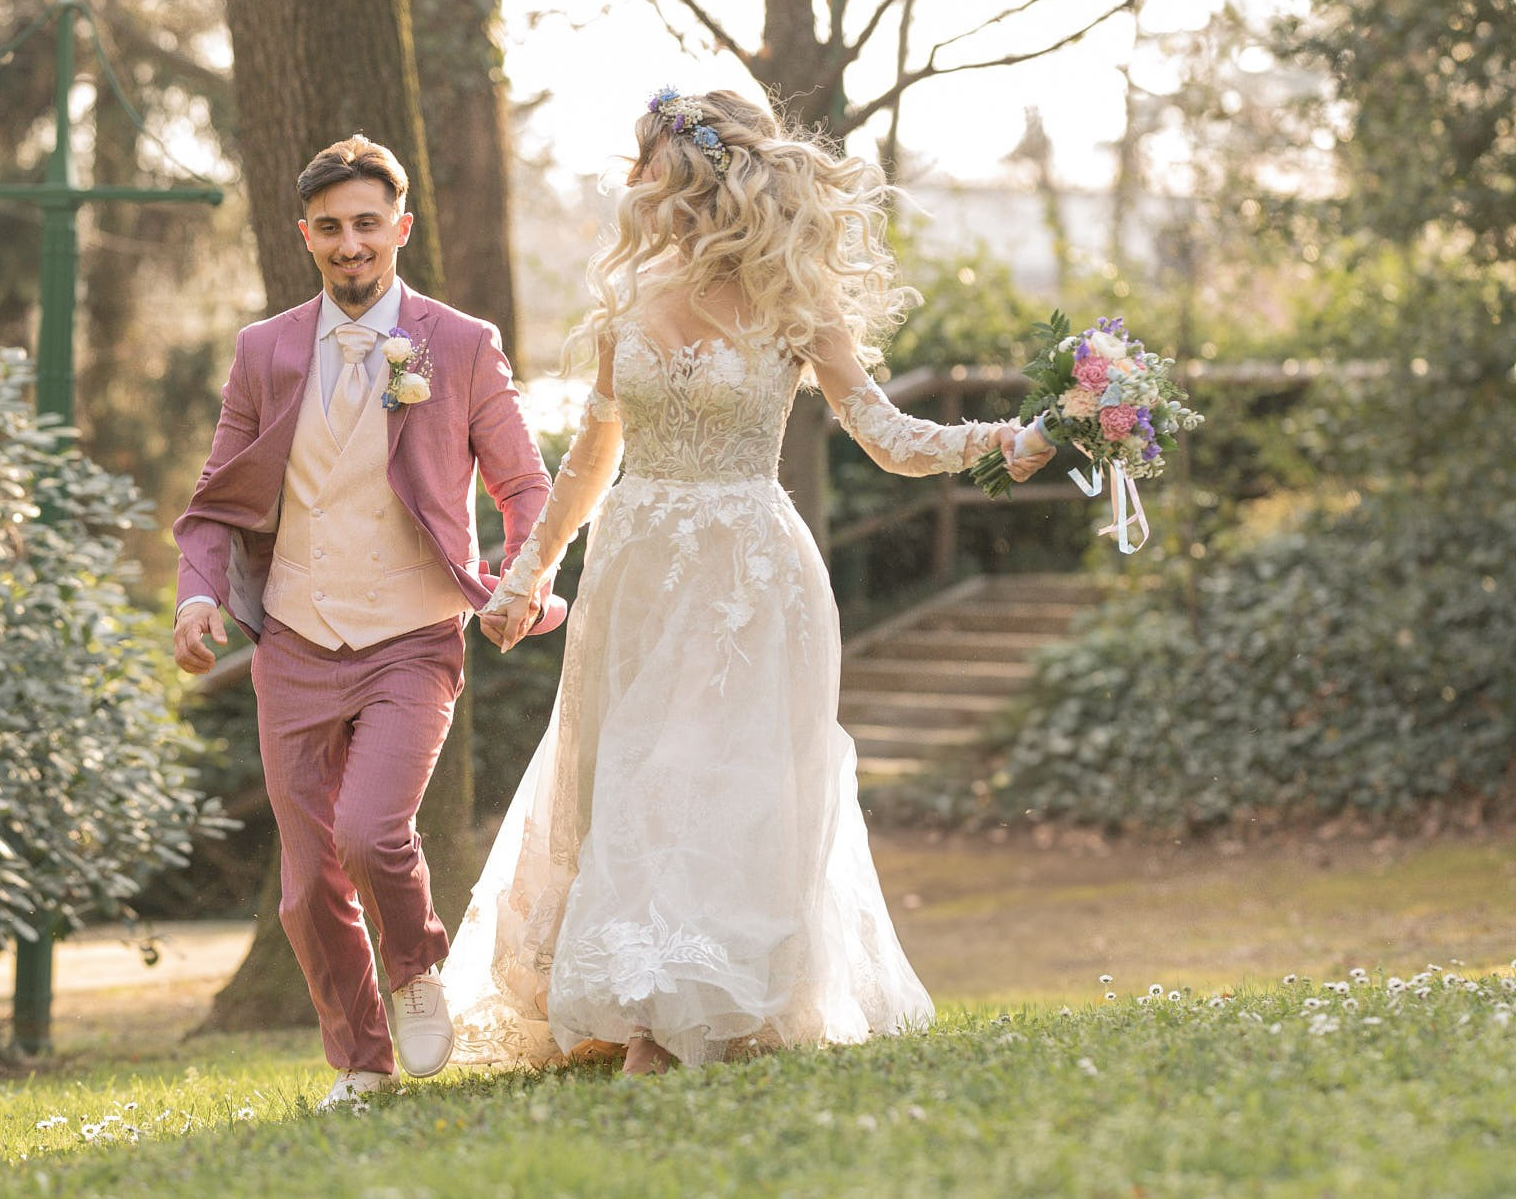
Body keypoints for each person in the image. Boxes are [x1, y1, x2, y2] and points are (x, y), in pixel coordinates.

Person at [445, 88, 1054, 1076]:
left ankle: (678, 1016)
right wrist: (526, 574)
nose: (629, 182)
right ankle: (632, 995)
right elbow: (589, 463)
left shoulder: (793, 304)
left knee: (716, 784)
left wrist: (1001, 442)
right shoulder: (626, 306)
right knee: (632, 777)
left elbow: (888, 437)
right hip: (636, 572)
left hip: (749, 574)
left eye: (643, 163)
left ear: (687, 175)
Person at [170, 136, 562, 1111]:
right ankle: (359, 1061)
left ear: (400, 228)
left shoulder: (459, 345)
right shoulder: (263, 351)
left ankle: (417, 968)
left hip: (412, 633)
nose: (351, 244)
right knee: (304, 889)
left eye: (367, 224)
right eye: (331, 228)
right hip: (297, 637)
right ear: (306, 236)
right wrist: (196, 594)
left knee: (371, 829)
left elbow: (522, 483)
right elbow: (216, 499)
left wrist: (520, 577)